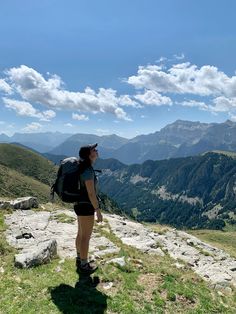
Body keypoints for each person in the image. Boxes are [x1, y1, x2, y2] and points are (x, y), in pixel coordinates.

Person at [74, 142, 103, 273]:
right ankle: (84, 265)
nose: (96, 151)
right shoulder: (88, 171)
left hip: (79, 204)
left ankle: (80, 257)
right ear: (89, 155)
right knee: (86, 236)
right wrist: (97, 210)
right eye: (94, 150)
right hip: (86, 206)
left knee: (81, 233)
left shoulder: (83, 167)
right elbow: (91, 193)